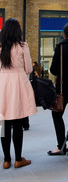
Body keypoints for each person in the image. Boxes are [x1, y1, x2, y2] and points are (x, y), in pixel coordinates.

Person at [0, 18, 37, 169]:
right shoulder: (22, 46)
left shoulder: (0, 47)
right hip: (18, 85)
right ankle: (18, 159)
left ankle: (6, 160)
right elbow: (29, 68)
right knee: (17, 122)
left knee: (4, 124)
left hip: (3, 85)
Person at [48, 23, 68, 155]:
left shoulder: (60, 47)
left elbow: (54, 70)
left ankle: (61, 146)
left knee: (56, 115)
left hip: (63, 88)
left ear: (64, 34)